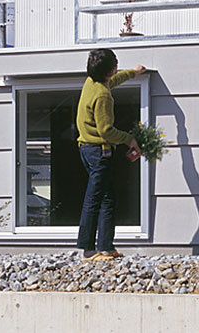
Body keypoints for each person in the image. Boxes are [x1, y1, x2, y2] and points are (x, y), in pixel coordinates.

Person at [75, 48, 145, 260]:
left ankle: (105, 247)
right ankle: (88, 251)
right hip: (99, 152)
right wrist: (129, 139)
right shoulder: (103, 95)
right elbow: (106, 130)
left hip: (88, 149)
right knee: (95, 199)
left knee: (106, 198)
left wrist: (133, 73)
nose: (117, 65)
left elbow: (111, 82)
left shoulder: (92, 83)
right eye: (116, 63)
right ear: (110, 70)